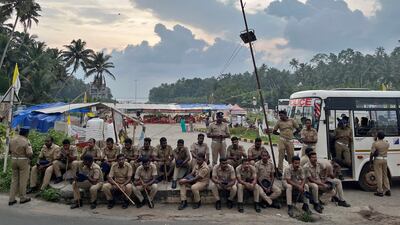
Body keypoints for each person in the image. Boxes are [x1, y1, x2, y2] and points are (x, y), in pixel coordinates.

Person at [8, 127, 33, 205]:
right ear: (26, 133)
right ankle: (22, 198)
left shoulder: (12, 139)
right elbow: (29, 153)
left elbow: (9, 151)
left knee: (14, 180)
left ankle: (11, 199)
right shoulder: (26, 141)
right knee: (23, 180)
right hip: (23, 160)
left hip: (13, 160)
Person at [273, 110, 300, 174]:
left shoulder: (292, 120)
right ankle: (280, 171)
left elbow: (298, 129)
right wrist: (280, 134)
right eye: (279, 115)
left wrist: (293, 134)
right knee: (281, 156)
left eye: (281, 115)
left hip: (290, 141)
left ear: (285, 115)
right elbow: (274, 131)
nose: (280, 117)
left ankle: (291, 170)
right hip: (282, 140)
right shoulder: (279, 122)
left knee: (291, 156)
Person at [370, 131, 391, 197]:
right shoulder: (387, 143)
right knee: (385, 175)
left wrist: (371, 162)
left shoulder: (375, 144)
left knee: (379, 175)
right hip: (385, 159)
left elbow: (372, 153)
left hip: (378, 160)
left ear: (378, 136)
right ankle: (387, 190)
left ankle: (380, 191)